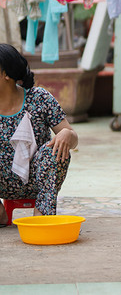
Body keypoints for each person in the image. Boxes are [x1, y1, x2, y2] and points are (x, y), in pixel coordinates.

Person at [0, 43, 78, 226]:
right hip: (2, 181)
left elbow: (73, 139)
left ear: (6, 75)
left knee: (55, 151)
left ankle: (42, 212)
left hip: (38, 180)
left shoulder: (39, 98)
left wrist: (67, 134)